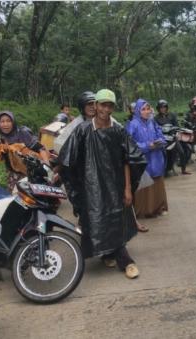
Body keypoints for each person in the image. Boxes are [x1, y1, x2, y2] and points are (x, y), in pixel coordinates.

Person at [58, 89, 147, 279]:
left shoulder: (118, 131)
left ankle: (126, 261)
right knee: (97, 222)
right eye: (102, 104)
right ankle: (107, 253)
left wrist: (128, 188)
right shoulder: (82, 131)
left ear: (113, 108)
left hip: (115, 185)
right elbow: (67, 159)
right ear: (95, 106)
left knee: (116, 221)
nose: (105, 109)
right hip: (92, 187)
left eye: (109, 105)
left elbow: (128, 160)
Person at [0, 110, 50, 191]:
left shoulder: (23, 134)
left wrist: (47, 165)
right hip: (14, 178)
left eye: (8, 121)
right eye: (2, 121)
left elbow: (41, 149)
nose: (5, 124)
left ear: (13, 122)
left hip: (33, 175)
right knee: (14, 200)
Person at [126, 99, 169, 220]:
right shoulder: (133, 124)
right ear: (138, 111)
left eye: (148, 108)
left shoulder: (152, 122)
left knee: (157, 184)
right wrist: (147, 146)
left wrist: (160, 141)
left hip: (156, 158)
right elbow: (130, 144)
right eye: (143, 109)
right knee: (145, 187)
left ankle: (158, 208)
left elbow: (160, 134)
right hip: (143, 161)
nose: (146, 111)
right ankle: (144, 211)